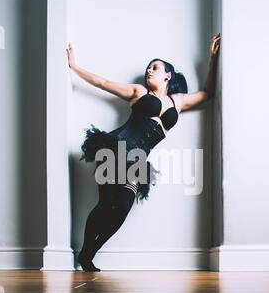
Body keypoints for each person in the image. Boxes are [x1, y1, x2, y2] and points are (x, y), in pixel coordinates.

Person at [66, 33, 221, 271]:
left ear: (167, 75)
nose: (149, 70)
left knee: (122, 209)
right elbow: (103, 83)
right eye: (148, 67)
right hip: (116, 150)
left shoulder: (178, 101)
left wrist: (212, 59)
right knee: (105, 205)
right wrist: (74, 65)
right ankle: (86, 256)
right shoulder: (139, 92)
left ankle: (87, 254)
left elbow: (207, 94)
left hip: (138, 160)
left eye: (155, 67)